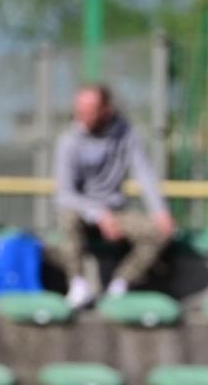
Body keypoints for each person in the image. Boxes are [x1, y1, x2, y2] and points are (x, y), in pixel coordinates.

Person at [54, 83, 176, 307]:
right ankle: (78, 285)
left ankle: (120, 285)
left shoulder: (126, 134)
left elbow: (144, 174)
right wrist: (99, 215)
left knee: (161, 232)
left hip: (115, 211)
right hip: (82, 212)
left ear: (106, 110)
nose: (82, 116)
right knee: (66, 215)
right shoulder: (69, 141)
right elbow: (64, 194)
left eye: (89, 111)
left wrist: (160, 211)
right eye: (79, 110)